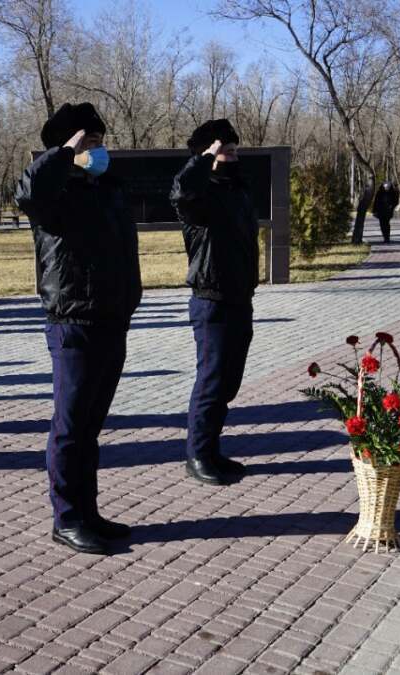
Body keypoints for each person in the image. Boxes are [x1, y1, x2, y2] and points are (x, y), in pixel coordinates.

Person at [15, 102, 142, 555]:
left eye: (100, 141)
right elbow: (27, 191)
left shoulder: (105, 189)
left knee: (90, 426)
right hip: (74, 322)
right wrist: (65, 152)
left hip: (111, 318)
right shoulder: (53, 194)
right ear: (68, 147)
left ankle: (88, 511)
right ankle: (66, 518)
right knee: (70, 427)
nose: (98, 149)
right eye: (90, 142)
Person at [171, 119, 257, 486]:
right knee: (211, 380)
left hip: (239, 297)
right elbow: (180, 192)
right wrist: (204, 158)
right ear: (207, 155)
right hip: (212, 300)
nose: (233, 155)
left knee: (228, 383)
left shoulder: (237, 191)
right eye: (226, 149)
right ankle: (197, 455)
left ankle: (212, 449)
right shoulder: (199, 197)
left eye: (235, 149)